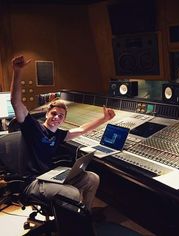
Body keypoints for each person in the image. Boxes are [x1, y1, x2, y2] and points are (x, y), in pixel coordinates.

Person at [10, 55, 115, 210]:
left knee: (93, 178)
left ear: (63, 119)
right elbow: (16, 102)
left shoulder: (58, 135)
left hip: (51, 177)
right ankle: (71, 225)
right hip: (33, 181)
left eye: (61, 116)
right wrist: (17, 72)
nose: (56, 118)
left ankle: (84, 215)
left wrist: (104, 119)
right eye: (54, 114)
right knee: (72, 193)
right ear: (47, 114)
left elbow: (82, 129)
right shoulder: (32, 126)